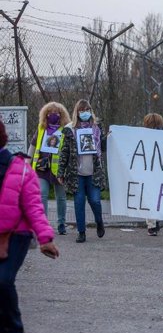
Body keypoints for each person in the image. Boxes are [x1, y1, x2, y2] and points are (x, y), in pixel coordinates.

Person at [0, 121, 59, 333]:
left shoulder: (21, 170)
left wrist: (45, 238)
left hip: (16, 235)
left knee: (2, 281)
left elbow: (34, 206)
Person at [57, 99, 106, 244]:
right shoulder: (70, 129)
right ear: (77, 112)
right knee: (79, 202)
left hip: (93, 172)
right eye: (82, 110)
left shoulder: (97, 128)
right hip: (76, 173)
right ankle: (81, 232)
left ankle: (99, 221)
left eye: (87, 110)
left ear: (91, 111)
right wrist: (60, 172)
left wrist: (107, 137)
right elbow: (64, 152)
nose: (84, 113)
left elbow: (104, 148)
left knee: (95, 201)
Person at [27, 102, 70, 235]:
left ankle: (61, 224)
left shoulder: (66, 130)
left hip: (59, 170)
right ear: (45, 114)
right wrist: (27, 163)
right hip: (41, 168)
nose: (53, 115)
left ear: (61, 115)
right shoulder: (41, 128)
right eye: (50, 112)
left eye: (57, 113)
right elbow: (33, 147)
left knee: (61, 197)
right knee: (42, 195)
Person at [143, 113, 163, 236]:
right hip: (152, 170)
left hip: (154, 170)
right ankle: (152, 223)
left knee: (152, 197)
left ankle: (153, 223)